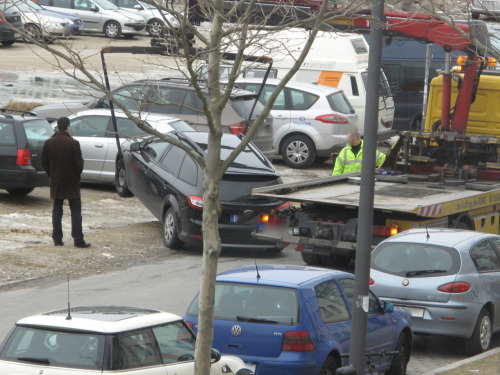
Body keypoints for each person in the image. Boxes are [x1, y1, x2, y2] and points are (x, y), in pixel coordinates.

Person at [41, 117, 90, 248]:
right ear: (68, 127)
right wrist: (76, 175)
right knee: (75, 210)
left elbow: (44, 162)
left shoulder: (48, 143)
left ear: (57, 126)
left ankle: (57, 239)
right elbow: (79, 164)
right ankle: (78, 239)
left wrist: (51, 174)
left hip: (56, 180)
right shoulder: (73, 143)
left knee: (57, 210)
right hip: (72, 181)